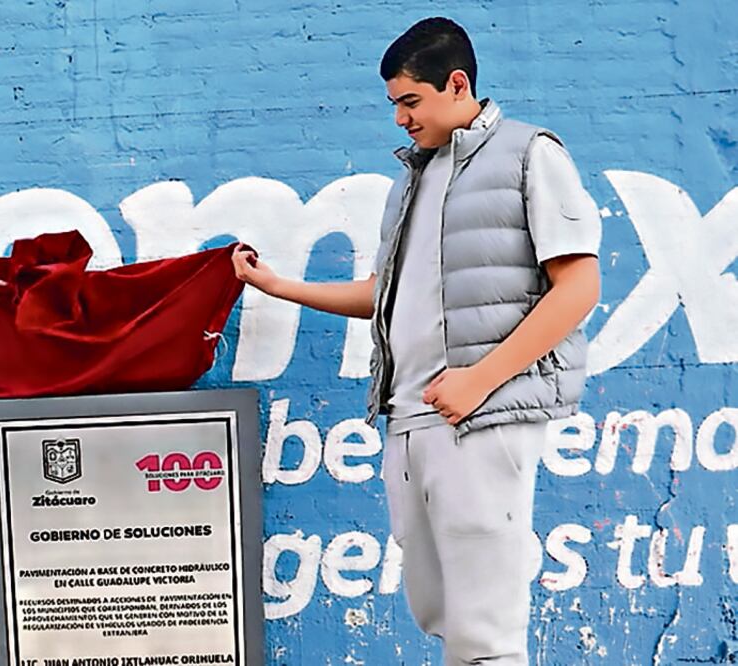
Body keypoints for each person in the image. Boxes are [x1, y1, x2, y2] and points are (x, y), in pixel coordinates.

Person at [233, 17, 601, 665]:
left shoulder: (528, 153)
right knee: (436, 610)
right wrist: (276, 286)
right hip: (408, 419)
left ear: (456, 84)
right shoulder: (413, 177)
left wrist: (478, 380)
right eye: (394, 104)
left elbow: (577, 288)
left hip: (481, 415)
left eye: (410, 101)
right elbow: (383, 294)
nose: (399, 119)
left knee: (484, 629)